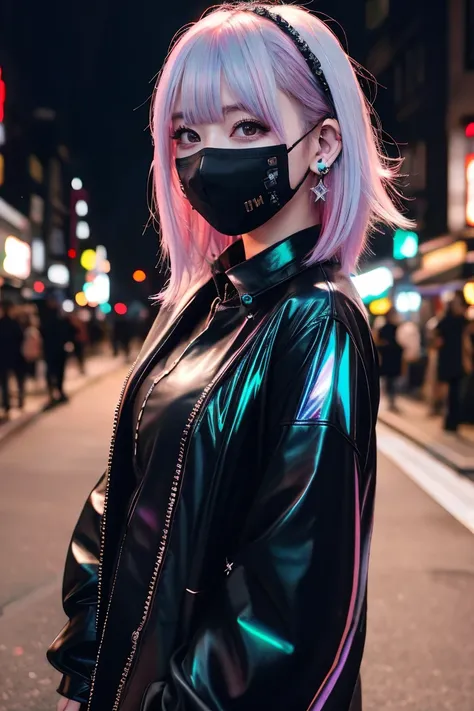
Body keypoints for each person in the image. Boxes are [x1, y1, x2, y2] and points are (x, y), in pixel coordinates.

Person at [47, 5, 412, 711]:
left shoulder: (315, 320)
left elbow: (289, 601)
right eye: (188, 132)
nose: (208, 155)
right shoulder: (208, 300)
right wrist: (87, 669)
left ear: (324, 143)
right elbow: (123, 495)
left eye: (247, 127)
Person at [436, 292, 472, 433]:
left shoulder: (450, 320)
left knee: (454, 392)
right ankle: (452, 421)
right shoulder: (456, 320)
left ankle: (452, 421)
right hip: (453, 359)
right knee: (453, 392)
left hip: (452, 359)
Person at [40, 297, 75, 407]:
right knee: (55, 373)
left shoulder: (49, 318)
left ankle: (56, 393)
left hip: (54, 350)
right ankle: (55, 393)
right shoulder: (57, 318)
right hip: (55, 350)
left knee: (55, 373)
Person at [0, 302, 26, 419]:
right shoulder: (15, 323)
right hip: (15, 355)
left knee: (5, 382)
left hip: (4, 356)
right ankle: (19, 401)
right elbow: (21, 337)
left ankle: (7, 405)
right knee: (18, 380)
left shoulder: (3, 323)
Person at [375, 308, 403, 412]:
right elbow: (378, 342)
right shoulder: (385, 329)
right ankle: (390, 400)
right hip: (389, 357)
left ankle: (392, 400)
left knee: (393, 380)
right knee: (389, 380)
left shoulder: (397, 328)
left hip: (394, 357)